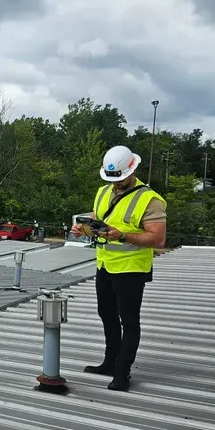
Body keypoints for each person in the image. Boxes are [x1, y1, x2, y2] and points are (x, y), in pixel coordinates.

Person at [72, 145, 166, 392]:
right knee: (106, 314)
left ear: (132, 169)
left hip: (131, 269)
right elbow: (98, 224)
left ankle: (123, 373)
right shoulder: (103, 192)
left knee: (129, 321)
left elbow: (158, 239)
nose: (117, 183)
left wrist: (123, 236)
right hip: (105, 264)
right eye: (113, 178)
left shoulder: (150, 200)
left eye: (121, 178)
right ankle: (110, 362)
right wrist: (83, 229)